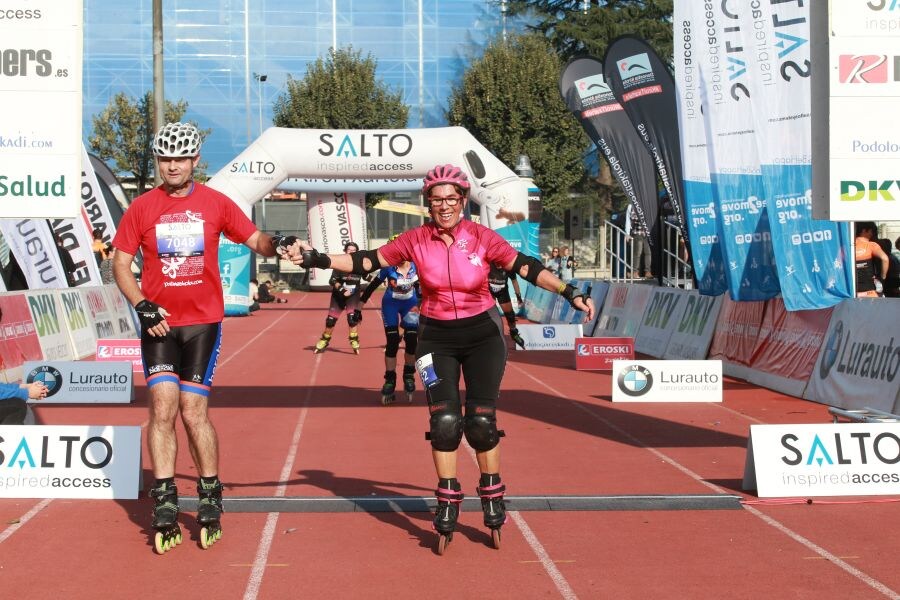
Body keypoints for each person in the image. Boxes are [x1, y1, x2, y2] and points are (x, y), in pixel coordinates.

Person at [285, 164, 594, 554]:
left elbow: (526, 267)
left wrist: (569, 292)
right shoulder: (414, 240)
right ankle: (448, 494)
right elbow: (365, 262)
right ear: (427, 204)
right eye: (436, 200)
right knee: (445, 421)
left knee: (481, 422)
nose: (444, 206)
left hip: (483, 335)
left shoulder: (483, 238)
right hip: (436, 337)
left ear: (463, 202)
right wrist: (314, 258)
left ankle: (492, 492)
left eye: (451, 199)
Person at [112, 121, 288, 554]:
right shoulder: (142, 207)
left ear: (194, 162)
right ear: (159, 161)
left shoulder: (216, 203)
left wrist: (278, 243)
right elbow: (119, 264)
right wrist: (141, 304)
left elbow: (255, 239)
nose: (172, 166)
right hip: (158, 324)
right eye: (165, 158)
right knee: (162, 407)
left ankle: (210, 490)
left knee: (193, 411)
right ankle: (167, 497)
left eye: (180, 158)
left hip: (202, 324)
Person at [360, 238, 421, 404]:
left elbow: (424, 287)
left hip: (411, 305)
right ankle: (390, 379)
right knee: (393, 341)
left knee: (411, 340)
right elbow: (372, 286)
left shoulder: (417, 265)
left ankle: (409, 375)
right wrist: (359, 308)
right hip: (391, 305)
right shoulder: (388, 268)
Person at [312, 241, 366, 355]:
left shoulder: (360, 264)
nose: (351, 252)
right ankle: (324, 340)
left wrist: (382, 279)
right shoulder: (340, 264)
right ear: (345, 251)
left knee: (352, 319)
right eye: (349, 250)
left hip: (353, 296)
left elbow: (368, 276)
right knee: (330, 321)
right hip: (338, 296)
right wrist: (342, 290)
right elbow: (332, 280)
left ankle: (354, 340)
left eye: (353, 250)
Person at [488, 263, 525, 350]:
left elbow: (514, 282)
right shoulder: (488, 264)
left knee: (510, 316)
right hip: (489, 291)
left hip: (503, 292)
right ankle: (488, 337)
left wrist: (519, 297)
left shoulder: (508, 267)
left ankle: (514, 333)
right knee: (489, 315)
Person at [854, 222, 889, 298]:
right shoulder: (871, 245)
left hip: (852, 289)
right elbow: (885, 259)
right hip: (869, 290)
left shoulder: (847, 246)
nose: (872, 234)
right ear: (864, 231)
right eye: (871, 231)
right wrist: (882, 278)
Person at [629, 204, 652, 278]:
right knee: (638, 252)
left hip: (647, 234)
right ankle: (635, 272)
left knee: (648, 252)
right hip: (637, 233)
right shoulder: (633, 205)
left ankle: (647, 272)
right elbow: (633, 218)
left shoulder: (648, 205)